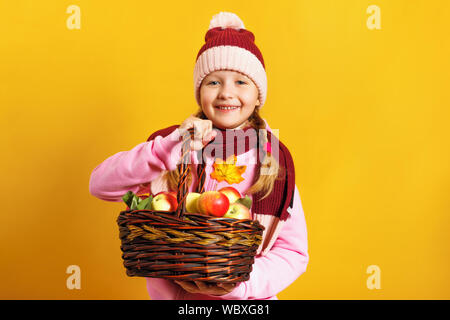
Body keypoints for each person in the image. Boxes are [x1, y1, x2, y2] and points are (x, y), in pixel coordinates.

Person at [89, 11, 309, 300]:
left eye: (241, 82)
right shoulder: (174, 146)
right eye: (213, 82)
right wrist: (167, 148)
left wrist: (240, 285)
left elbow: (293, 251)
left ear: (258, 96)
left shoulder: (273, 161)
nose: (226, 94)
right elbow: (100, 185)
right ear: (199, 92)